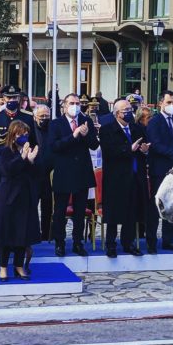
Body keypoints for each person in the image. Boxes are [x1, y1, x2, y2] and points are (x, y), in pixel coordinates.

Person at [49, 93, 99, 257]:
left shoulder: (87, 121)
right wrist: (74, 135)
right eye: (72, 103)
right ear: (64, 105)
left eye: (77, 103)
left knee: (80, 211)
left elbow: (94, 145)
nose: (75, 106)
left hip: (82, 172)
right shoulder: (56, 124)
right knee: (60, 210)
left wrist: (86, 135)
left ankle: (78, 242)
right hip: (63, 172)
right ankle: (60, 242)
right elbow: (55, 146)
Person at [99, 98, 150, 257]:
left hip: (136, 175)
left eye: (130, 110)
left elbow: (144, 148)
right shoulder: (107, 129)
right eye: (124, 111)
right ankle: (111, 244)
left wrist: (144, 150)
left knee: (132, 212)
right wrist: (129, 148)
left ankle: (128, 242)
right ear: (116, 114)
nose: (128, 113)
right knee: (114, 213)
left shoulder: (137, 128)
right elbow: (109, 151)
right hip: (117, 178)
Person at [146, 90, 173, 253]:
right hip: (159, 169)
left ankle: (168, 240)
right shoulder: (154, 122)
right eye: (168, 103)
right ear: (160, 104)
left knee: (172, 204)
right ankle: (151, 241)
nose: (172, 106)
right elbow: (155, 145)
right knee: (156, 206)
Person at [0, 121, 39, 281]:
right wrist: (22, 157)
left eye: (26, 134)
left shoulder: (31, 149)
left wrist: (31, 160)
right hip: (9, 197)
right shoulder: (4, 151)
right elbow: (7, 170)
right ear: (13, 136)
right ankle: (3, 267)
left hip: (26, 196)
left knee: (23, 233)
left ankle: (19, 265)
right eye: (20, 134)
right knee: (7, 232)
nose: (23, 137)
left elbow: (36, 173)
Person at [0, 85, 35, 184]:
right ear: (4, 99)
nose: (12, 100)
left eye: (15, 97)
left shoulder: (27, 117)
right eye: (9, 97)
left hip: (21, 166)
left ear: (19, 98)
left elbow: (33, 141)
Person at [32, 104, 54, 243]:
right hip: (33, 174)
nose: (45, 119)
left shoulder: (53, 128)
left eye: (47, 116)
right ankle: (33, 233)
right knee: (32, 206)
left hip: (49, 175)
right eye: (42, 116)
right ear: (35, 117)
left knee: (48, 207)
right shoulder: (30, 129)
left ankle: (46, 234)